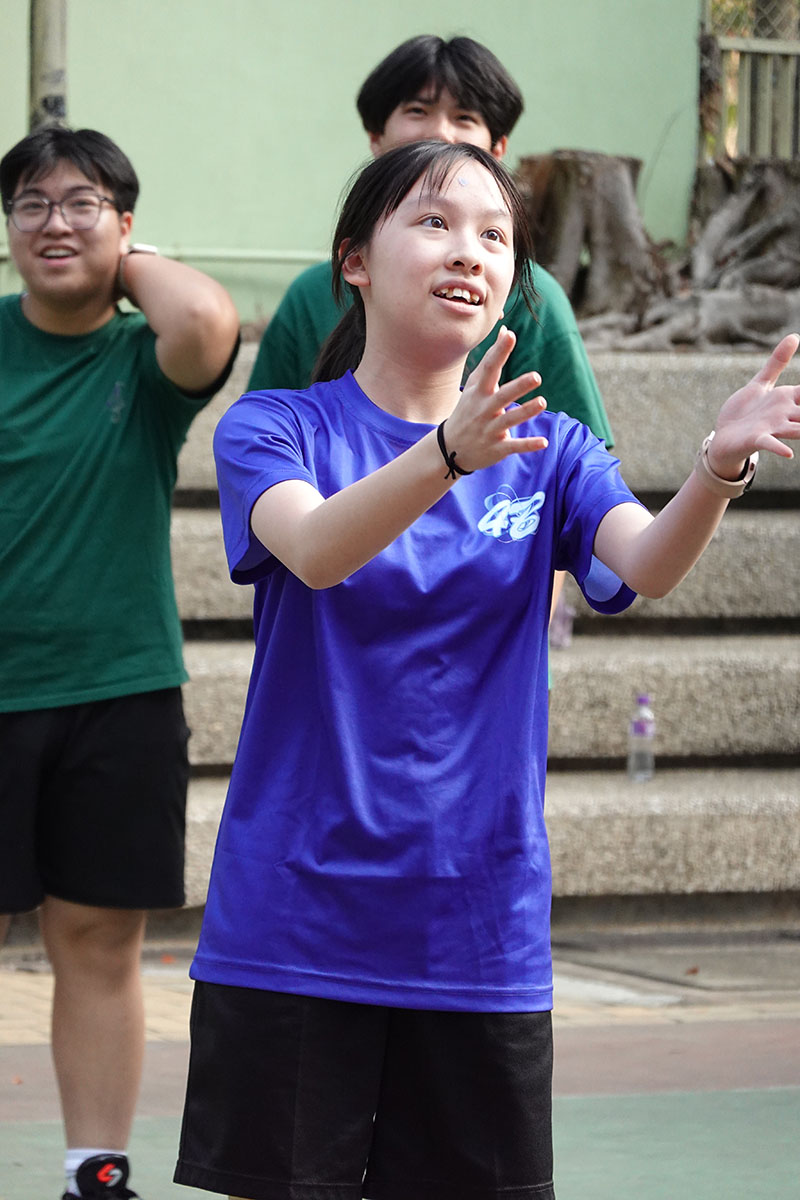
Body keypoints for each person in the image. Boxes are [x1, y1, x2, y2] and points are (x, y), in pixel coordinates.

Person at [173, 139, 800, 1200]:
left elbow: (644, 565)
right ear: (354, 261)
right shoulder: (276, 426)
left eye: (495, 235)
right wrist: (447, 455)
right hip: (294, 921)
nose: (469, 251)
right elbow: (317, 550)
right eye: (433, 222)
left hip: (476, 929)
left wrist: (715, 466)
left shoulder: (550, 451)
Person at [0, 126, 240, 1200]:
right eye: (31, 205)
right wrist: (85, 238)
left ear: (129, 227)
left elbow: (207, 321)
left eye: (81, 203)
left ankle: (93, 1175)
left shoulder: (142, 364)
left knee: (98, 941)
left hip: (121, 691)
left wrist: (114, 261)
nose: (53, 222)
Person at [247, 34, 613, 449]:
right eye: (417, 111)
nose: (440, 132)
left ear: (496, 150)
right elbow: (261, 449)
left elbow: (580, 465)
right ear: (376, 137)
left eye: (464, 117)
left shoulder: (532, 298)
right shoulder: (309, 296)